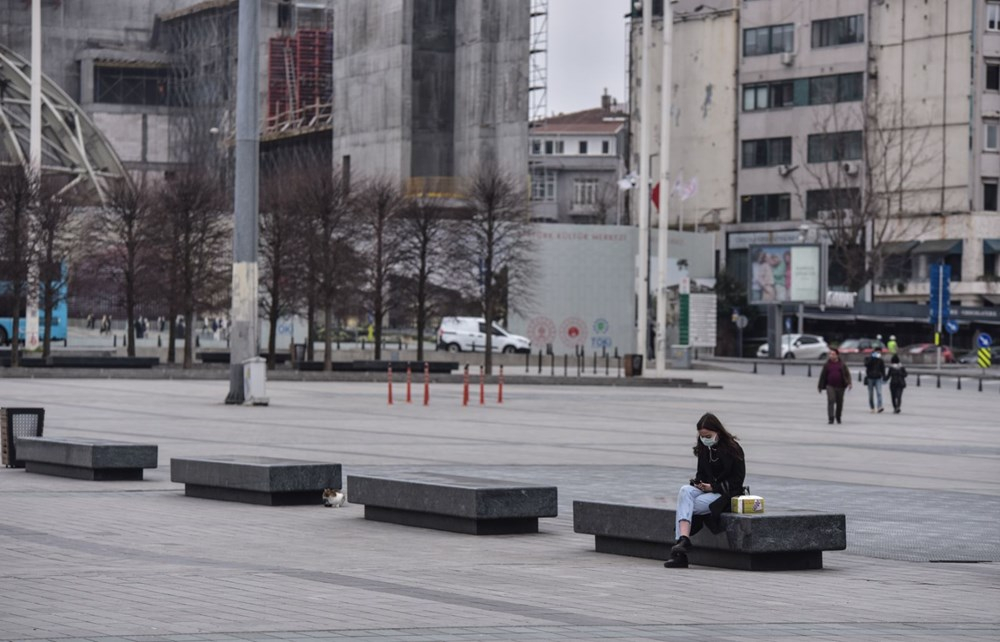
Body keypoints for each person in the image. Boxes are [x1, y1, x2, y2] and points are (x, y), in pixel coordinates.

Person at [664, 412, 746, 569]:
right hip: (707, 492)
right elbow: (701, 473)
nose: (704, 439)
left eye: (708, 435)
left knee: (686, 506)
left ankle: (680, 553)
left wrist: (713, 487)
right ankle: (683, 540)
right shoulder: (703, 449)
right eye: (702, 436)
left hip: (725, 495)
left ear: (718, 432)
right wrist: (698, 484)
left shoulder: (734, 449)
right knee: (685, 491)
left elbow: (737, 481)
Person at [818, 348, 852, 424]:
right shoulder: (827, 364)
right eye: (830, 354)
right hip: (830, 386)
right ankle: (831, 418)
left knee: (839, 402)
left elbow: (847, 374)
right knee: (831, 400)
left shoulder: (842, 364)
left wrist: (849, 383)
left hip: (841, 386)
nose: (831, 356)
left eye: (833, 354)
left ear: (837, 355)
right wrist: (820, 386)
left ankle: (838, 417)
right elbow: (823, 376)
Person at [864, 347, 887, 413]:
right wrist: (872, 358)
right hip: (870, 378)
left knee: (879, 393)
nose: (878, 353)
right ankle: (872, 407)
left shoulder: (880, 360)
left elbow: (883, 369)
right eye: (877, 352)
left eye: (879, 352)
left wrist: (884, 376)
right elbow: (866, 365)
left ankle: (879, 406)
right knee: (871, 394)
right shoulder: (868, 358)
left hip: (878, 378)